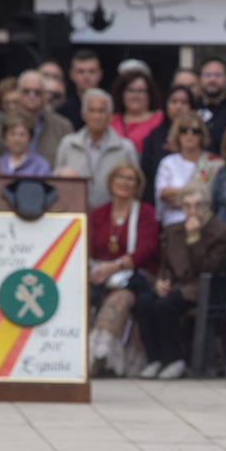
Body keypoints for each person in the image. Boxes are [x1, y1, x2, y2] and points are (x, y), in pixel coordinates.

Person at [134, 180, 226, 380]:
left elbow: (208, 268)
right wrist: (160, 281)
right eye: (186, 206)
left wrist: (194, 238)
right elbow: (164, 264)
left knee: (164, 305)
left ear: (207, 205)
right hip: (176, 284)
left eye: (198, 205)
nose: (192, 211)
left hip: (201, 287)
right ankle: (155, 359)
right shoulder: (173, 229)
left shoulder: (220, 230)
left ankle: (174, 360)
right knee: (144, 302)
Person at [87, 160, 159, 376]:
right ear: (111, 181)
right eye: (120, 177)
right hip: (98, 273)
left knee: (118, 302)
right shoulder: (98, 214)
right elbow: (88, 248)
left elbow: (146, 249)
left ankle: (100, 357)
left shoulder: (145, 212)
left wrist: (115, 266)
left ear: (138, 185)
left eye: (131, 179)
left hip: (134, 276)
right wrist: (94, 271)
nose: (125, 182)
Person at [54, 88, 138, 208]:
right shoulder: (68, 144)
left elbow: (135, 187)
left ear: (109, 115)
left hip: (111, 217)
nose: (96, 116)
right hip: (75, 214)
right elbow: (56, 179)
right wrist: (62, 175)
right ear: (83, 114)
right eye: (91, 111)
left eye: (101, 111)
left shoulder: (125, 148)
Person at [154, 112, 221, 227]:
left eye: (195, 131)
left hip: (206, 225)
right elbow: (163, 194)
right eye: (184, 130)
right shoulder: (168, 162)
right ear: (177, 134)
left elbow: (215, 197)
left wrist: (178, 198)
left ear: (202, 135)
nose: (189, 135)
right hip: (174, 224)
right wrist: (198, 197)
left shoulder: (215, 162)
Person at [0, 70, 73, 167]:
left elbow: (69, 162)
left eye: (37, 92)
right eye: (26, 91)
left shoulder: (62, 126)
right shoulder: (5, 123)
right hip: (12, 180)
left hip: (50, 179)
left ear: (45, 94)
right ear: (19, 92)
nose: (32, 95)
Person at [140, 86, 194, 206]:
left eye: (184, 102)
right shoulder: (154, 137)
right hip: (159, 206)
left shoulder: (199, 135)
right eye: (174, 102)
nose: (179, 107)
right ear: (165, 105)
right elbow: (146, 177)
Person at [109, 69, 164, 155]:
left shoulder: (160, 119)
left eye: (141, 91)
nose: (135, 95)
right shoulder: (110, 120)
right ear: (121, 93)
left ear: (150, 94)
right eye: (130, 90)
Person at [197, 58, 226, 154]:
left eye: (218, 75)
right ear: (199, 79)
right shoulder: (191, 107)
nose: (212, 80)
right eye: (207, 75)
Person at [58, 48, 103, 130]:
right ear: (71, 74)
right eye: (81, 71)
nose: (86, 76)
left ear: (100, 74)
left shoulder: (112, 108)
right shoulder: (62, 112)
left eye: (91, 71)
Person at [0, 111, 51, 177]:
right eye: (12, 134)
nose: (17, 139)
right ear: (5, 137)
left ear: (30, 137)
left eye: (22, 134)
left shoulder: (41, 166)